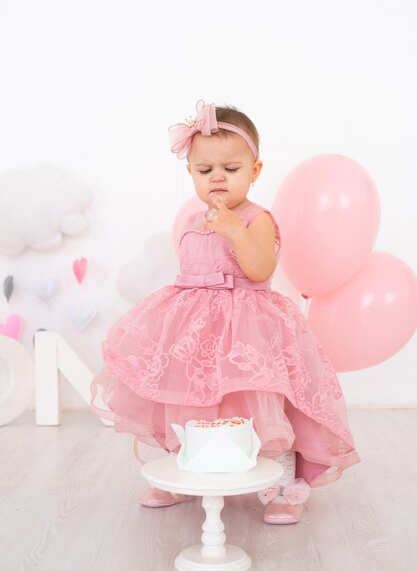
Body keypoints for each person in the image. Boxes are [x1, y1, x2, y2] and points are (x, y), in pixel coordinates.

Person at [90, 99, 360, 525]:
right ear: (191, 174)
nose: (217, 178)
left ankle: (283, 485)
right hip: (197, 330)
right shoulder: (196, 219)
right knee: (187, 402)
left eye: (231, 170)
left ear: (254, 172)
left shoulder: (257, 218)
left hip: (249, 330)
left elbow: (260, 268)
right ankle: (185, 473)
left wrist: (234, 229)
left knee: (263, 408)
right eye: (204, 171)